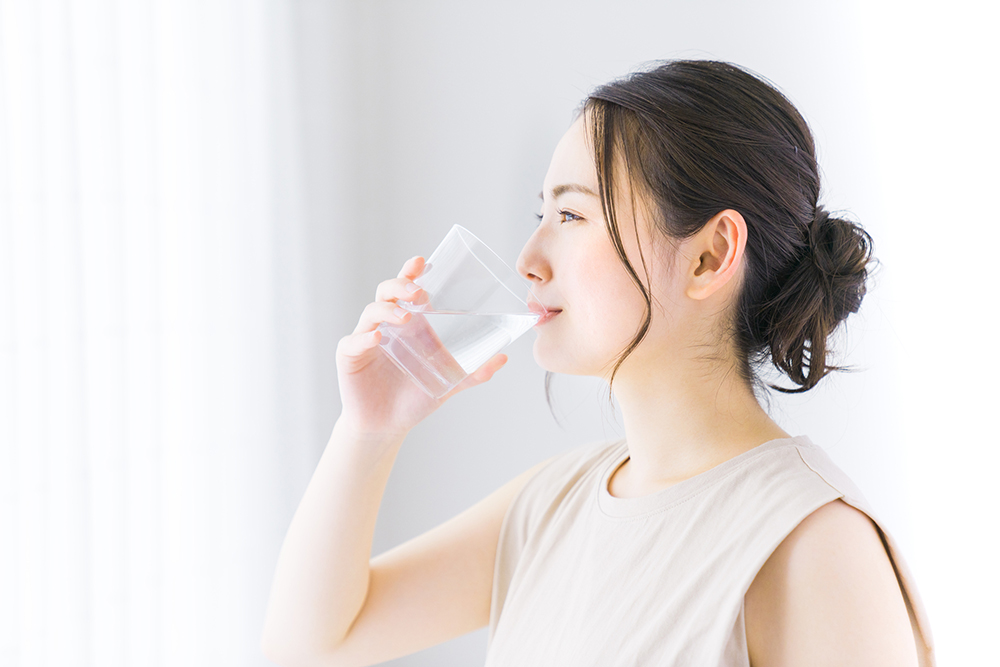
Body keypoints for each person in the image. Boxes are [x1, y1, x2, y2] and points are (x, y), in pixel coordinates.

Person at [261, 60, 934, 666]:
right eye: (541, 212)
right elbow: (313, 644)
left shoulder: (814, 543)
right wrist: (370, 430)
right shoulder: (551, 505)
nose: (528, 256)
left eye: (571, 215)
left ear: (708, 256)